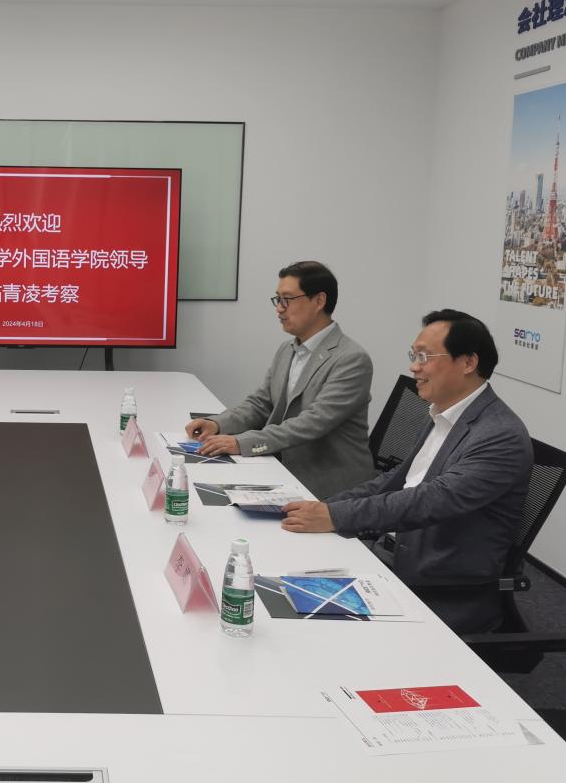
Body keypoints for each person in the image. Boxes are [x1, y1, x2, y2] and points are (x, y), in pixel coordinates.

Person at [281, 309, 533, 634]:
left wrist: (335, 516)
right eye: (413, 355)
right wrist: (325, 507)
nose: (414, 366)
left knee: (300, 627)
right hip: (388, 555)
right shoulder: (443, 414)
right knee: (283, 580)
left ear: (468, 362)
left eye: (424, 356)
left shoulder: (500, 436)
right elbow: (396, 481)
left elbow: (429, 500)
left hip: (437, 588)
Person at [184, 261, 373, 499]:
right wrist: (218, 424)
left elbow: (312, 423)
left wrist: (241, 443)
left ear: (319, 301)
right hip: (282, 468)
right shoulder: (288, 349)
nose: (279, 309)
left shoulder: (351, 359)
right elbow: (261, 403)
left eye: (287, 299)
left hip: (329, 488)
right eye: (278, 299)